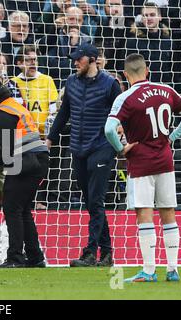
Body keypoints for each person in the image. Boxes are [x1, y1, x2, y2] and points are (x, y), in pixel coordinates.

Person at [105, 53, 181, 282]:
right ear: (147, 70)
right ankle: (173, 270)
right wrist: (172, 137)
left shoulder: (126, 97)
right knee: (168, 213)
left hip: (141, 161)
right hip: (165, 159)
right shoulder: (166, 90)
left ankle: (149, 271)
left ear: (125, 74)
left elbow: (108, 129)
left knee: (144, 212)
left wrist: (120, 149)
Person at [46, 43, 122, 267]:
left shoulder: (111, 84)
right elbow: (64, 113)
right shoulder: (71, 82)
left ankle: (89, 253)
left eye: (79, 59)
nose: (75, 63)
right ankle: (107, 253)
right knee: (91, 202)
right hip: (77, 148)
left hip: (102, 147)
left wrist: (121, 132)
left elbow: (122, 111)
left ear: (92, 59)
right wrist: (50, 138)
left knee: (96, 201)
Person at [0, 75, 48, 268]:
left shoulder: (2, 114)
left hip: (26, 161)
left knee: (12, 208)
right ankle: (35, 257)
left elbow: (1, 157)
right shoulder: (10, 106)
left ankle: (16, 257)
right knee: (22, 210)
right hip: (35, 160)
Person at [12, 45, 58, 138]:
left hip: (43, 136)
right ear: (19, 63)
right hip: (21, 136)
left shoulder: (47, 80)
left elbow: (54, 110)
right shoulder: (13, 82)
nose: (33, 63)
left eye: (35, 60)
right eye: (28, 60)